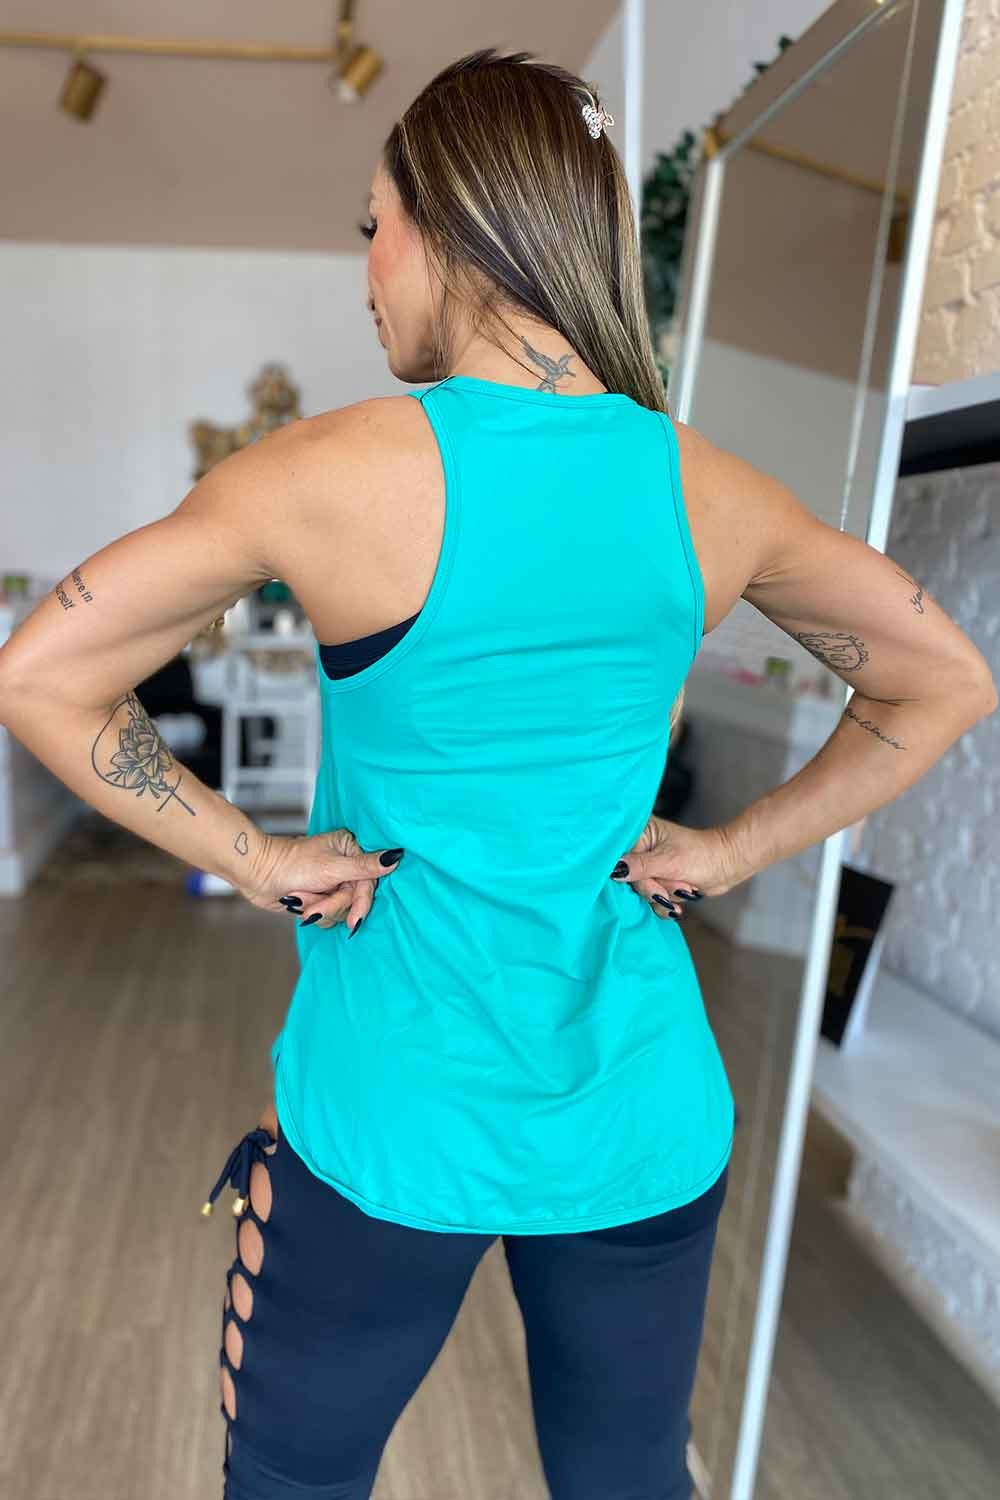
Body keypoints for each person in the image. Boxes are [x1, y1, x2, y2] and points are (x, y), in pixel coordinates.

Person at [0, 45, 994, 1500]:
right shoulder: (715, 492)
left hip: (393, 1112)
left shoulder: (320, 475)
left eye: (372, 224)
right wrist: (729, 853)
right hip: (640, 1113)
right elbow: (946, 677)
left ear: (451, 221)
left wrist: (258, 859)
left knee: (291, 1481)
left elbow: (41, 673)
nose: (365, 271)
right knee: (626, 1477)